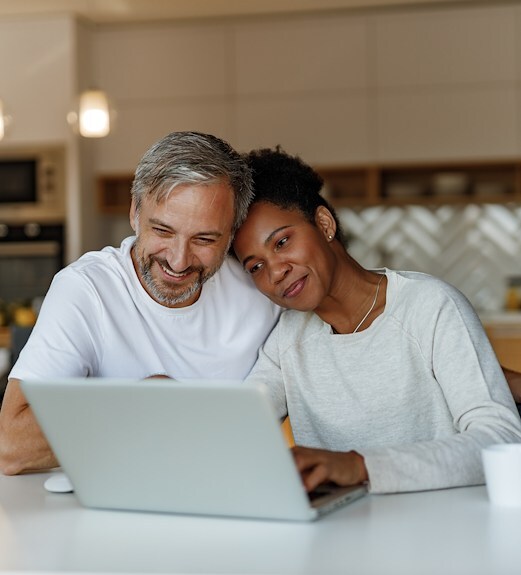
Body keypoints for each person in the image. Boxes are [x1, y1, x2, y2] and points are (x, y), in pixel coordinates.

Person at [233, 147, 521, 494]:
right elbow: (238, 425)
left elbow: (500, 437)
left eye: (282, 242)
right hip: (341, 534)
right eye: (256, 267)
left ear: (324, 224)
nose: (276, 272)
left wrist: (359, 466)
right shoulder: (287, 340)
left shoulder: (429, 306)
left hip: (444, 529)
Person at [0, 132, 280, 476]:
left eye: (204, 239)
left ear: (233, 233)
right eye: (162, 231)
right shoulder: (87, 290)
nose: (178, 261)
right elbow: (11, 446)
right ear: (135, 212)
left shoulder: (261, 291)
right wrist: (140, 404)